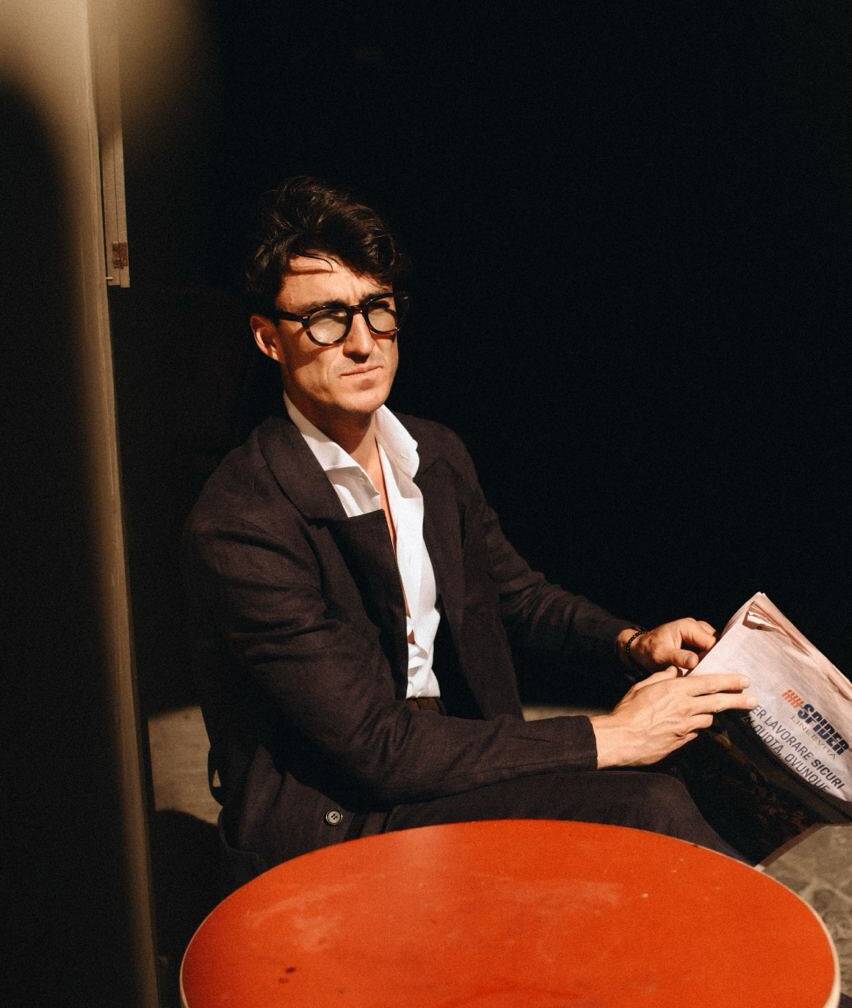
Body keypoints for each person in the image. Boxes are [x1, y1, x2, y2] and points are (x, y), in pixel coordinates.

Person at [183, 175, 756, 885]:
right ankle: (796, 996)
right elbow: (375, 746)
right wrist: (611, 735)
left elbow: (516, 595)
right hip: (335, 813)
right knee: (648, 805)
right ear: (270, 340)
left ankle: (747, 983)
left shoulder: (433, 454)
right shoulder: (243, 519)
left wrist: (631, 643)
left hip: (441, 754)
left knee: (701, 775)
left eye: (377, 310)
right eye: (327, 318)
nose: (363, 343)